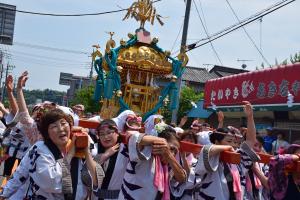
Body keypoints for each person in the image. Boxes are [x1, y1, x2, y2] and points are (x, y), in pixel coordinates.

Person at [0, 109, 104, 199]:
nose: (61, 129)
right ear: (47, 133)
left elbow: (97, 179)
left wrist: (86, 151)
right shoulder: (41, 149)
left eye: (64, 123)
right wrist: (70, 155)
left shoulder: (79, 145)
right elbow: (51, 182)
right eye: (54, 126)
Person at [118, 126, 186, 200]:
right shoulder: (145, 154)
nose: (173, 154)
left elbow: (182, 178)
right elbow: (133, 136)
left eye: (175, 152)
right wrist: (160, 141)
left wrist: (169, 155)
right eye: (171, 149)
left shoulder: (169, 164)